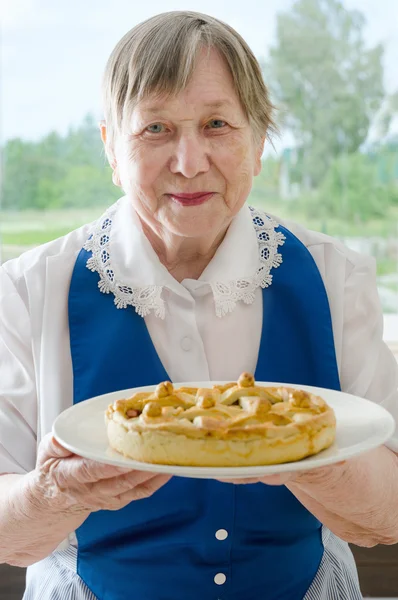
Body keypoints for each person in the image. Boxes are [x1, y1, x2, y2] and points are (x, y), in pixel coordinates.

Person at [1, 11, 398, 600]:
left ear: (259, 141)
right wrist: (54, 493)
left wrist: (309, 456)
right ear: (111, 146)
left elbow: (387, 518)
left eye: (217, 124)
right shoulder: (28, 290)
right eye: (155, 128)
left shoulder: (335, 277)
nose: (188, 162)